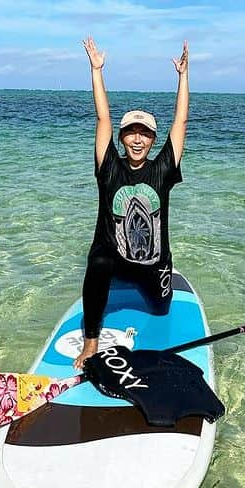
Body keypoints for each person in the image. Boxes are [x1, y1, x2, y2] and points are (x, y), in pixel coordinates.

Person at [74, 36, 189, 370]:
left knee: (161, 309)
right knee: (97, 262)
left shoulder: (163, 169)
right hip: (114, 259)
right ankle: (91, 342)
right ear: (122, 138)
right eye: (131, 133)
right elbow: (102, 119)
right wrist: (96, 70)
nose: (138, 139)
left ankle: (133, 284)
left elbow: (180, 123)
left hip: (153, 265)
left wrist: (183, 77)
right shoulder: (109, 168)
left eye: (145, 133)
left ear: (153, 140)